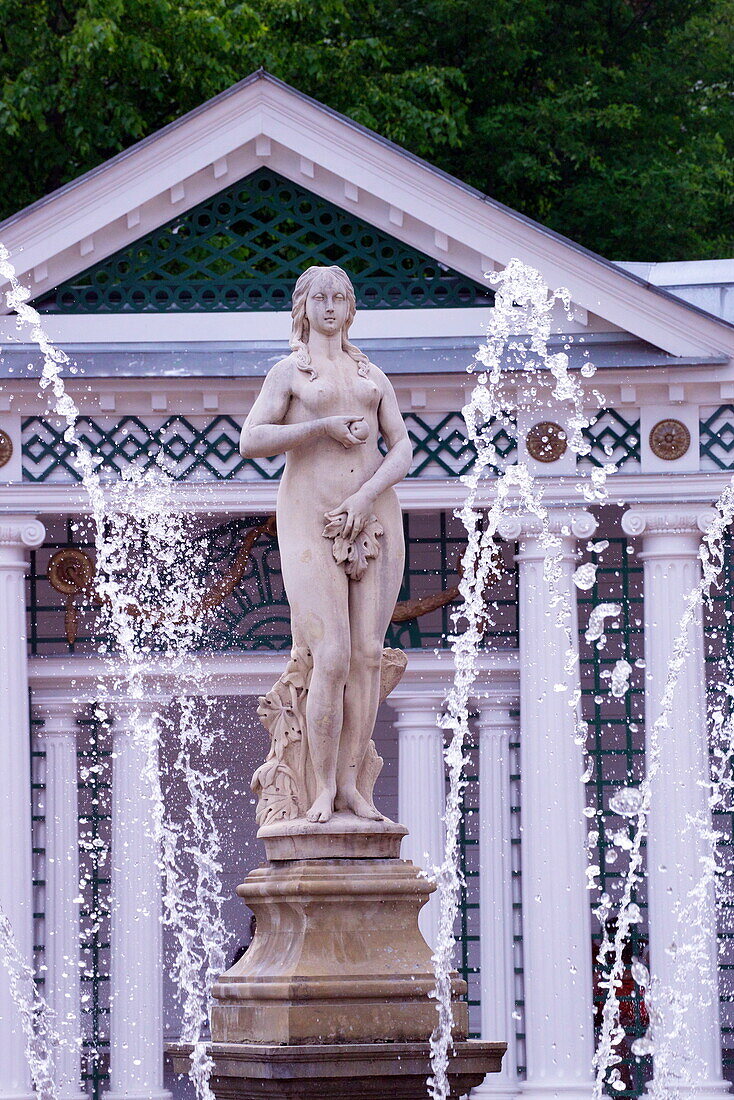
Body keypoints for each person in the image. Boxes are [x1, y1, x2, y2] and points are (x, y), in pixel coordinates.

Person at [239, 265, 412, 824]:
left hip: (374, 515)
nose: (331, 306)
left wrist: (366, 497)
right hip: (310, 516)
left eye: (340, 297)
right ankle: (318, 788)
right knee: (330, 654)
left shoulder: (371, 373)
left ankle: (349, 788)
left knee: (366, 655)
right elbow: (252, 440)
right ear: (303, 307)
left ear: (351, 307)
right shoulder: (290, 372)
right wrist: (319, 428)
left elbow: (403, 448)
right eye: (320, 298)